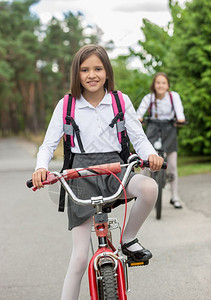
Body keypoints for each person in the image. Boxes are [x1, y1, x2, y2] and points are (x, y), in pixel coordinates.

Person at [32, 44, 163, 300]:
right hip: (80, 176)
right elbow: (48, 145)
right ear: (76, 74)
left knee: (149, 187)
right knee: (80, 258)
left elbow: (139, 137)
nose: (92, 75)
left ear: (107, 71)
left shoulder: (119, 100)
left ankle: (128, 238)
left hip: (117, 171)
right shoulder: (67, 105)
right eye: (84, 70)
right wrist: (41, 167)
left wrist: (151, 155)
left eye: (98, 68)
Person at [137, 72, 186, 209]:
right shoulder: (149, 98)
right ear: (154, 85)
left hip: (169, 129)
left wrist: (180, 118)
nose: (161, 85)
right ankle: (140, 193)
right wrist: (139, 118)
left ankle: (174, 196)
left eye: (163, 83)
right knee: (146, 164)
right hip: (153, 128)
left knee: (172, 166)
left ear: (168, 85)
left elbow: (179, 111)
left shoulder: (173, 96)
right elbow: (139, 113)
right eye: (158, 82)